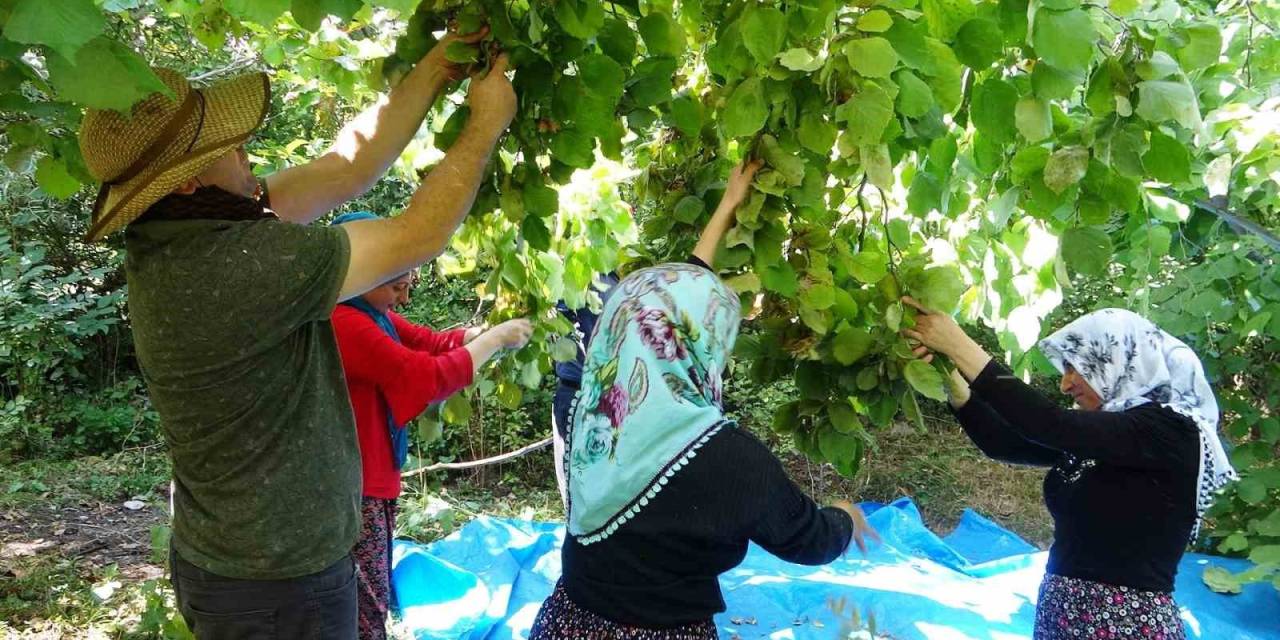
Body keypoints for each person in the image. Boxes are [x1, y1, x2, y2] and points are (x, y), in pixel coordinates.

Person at [76, 28, 517, 638]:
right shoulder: (237, 265)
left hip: (239, 572)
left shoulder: (177, 233)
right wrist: (486, 125)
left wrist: (440, 63)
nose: (246, 150)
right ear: (185, 181)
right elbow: (417, 235)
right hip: (281, 587)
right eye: (225, 146)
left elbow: (346, 167)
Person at [528, 161, 879, 639]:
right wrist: (845, 517)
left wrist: (729, 204)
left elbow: (669, 303)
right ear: (704, 347)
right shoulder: (731, 463)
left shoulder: (596, 423)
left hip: (568, 623)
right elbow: (807, 539)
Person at [902, 302, 1236, 640]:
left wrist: (959, 346)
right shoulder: (1116, 433)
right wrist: (951, 379)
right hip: (1066, 616)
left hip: (1123, 626)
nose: (1065, 384)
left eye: (1076, 368)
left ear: (1117, 359)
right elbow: (1005, 442)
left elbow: (1047, 423)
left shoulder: (1170, 431)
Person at [328, 211, 533, 640]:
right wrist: (493, 342)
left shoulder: (367, 312)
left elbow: (429, 341)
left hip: (370, 480)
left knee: (372, 594)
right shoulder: (344, 322)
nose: (402, 299)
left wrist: (483, 332)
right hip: (353, 486)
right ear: (365, 272)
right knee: (365, 606)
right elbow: (424, 378)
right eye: (396, 286)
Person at [552, 272, 620, 505]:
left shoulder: (612, 280)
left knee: (607, 487)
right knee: (581, 491)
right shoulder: (578, 275)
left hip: (607, 395)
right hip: (579, 394)